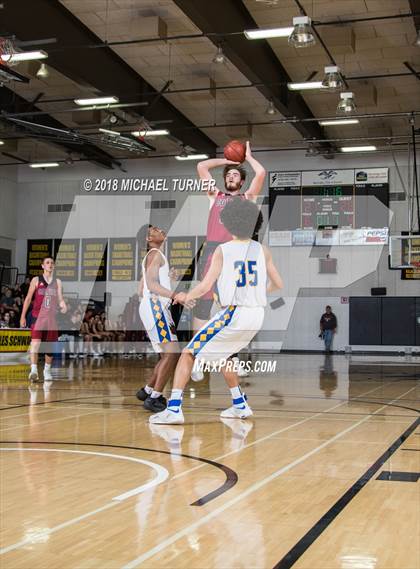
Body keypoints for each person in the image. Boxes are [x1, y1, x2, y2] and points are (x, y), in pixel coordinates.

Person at [149, 198, 283, 425]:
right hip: (256, 315)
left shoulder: (223, 250)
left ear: (229, 223)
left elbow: (203, 286)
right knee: (224, 356)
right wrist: (255, 293)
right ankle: (240, 405)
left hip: (234, 314)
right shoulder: (263, 251)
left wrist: (183, 296)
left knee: (188, 354)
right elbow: (278, 284)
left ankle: (173, 409)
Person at [192, 140, 266, 380]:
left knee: (233, 310)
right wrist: (228, 160)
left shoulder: (247, 197)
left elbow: (262, 173)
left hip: (235, 254)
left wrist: (248, 157)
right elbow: (202, 167)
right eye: (229, 174)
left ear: (242, 181)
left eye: (236, 174)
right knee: (203, 305)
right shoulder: (215, 196)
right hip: (213, 251)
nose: (232, 176)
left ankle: (233, 359)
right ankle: (197, 358)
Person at [135, 224, 194, 413]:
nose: (161, 230)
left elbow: (142, 287)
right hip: (155, 307)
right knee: (173, 353)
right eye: (155, 229)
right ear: (148, 238)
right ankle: (154, 398)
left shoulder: (154, 256)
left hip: (153, 306)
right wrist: (175, 295)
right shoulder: (154, 254)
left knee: (166, 354)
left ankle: (148, 391)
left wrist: (168, 278)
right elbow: (151, 285)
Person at [20, 257, 67, 382]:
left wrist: (63, 305)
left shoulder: (57, 282)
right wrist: (23, 316)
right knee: (35, 343)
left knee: (49, 347)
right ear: (42, 266)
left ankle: (47, 371)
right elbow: (28, 299)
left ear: (54, 266)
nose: (50, 264)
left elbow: (60, 298)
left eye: (52, 263)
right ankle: (34, 370)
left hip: (51, 318)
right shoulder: (36, 280)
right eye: (47, 263)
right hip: (37, 317)